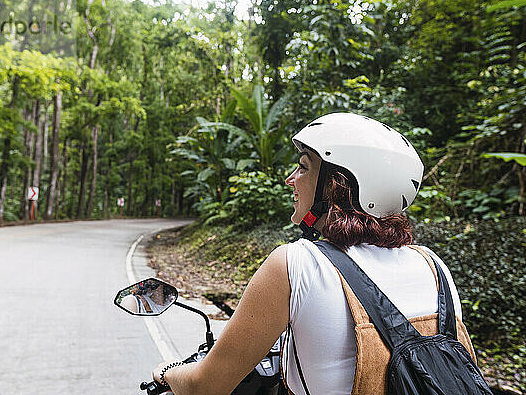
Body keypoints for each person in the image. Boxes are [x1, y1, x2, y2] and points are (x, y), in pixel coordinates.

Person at [152, 113, 465, 395]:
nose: (291, 179)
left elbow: (207, 386)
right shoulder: (434, 266)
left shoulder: (296, 264)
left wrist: (168, 372)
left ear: (337, 186)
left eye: (302, 167)